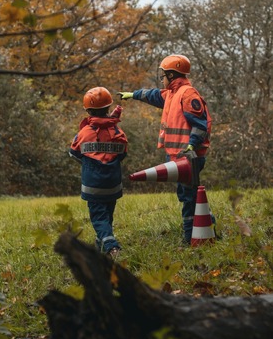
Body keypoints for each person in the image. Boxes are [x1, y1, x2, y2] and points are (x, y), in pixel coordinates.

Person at [118, 54, 215, 245]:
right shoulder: (172, 93)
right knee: (192, 195)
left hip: (189, 156)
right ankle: (208, 227)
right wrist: (134, 94)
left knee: (188, 197)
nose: (161, 79)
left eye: (163, 75)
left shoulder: (187, 94)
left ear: (171, 75)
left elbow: (200, 125)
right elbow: (154, 95)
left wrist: (191, 144)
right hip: (178, 156)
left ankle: (192, 238)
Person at [69, 87, 128, 259]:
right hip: (113, 183)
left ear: (87, 110)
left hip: (93, 185)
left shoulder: (84, 133)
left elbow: (74, 154)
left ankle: (111, 247)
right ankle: (100, 248)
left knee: (98, 218)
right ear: (108, 108)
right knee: (107, 215)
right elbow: (123, 154)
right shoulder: (117, 132)